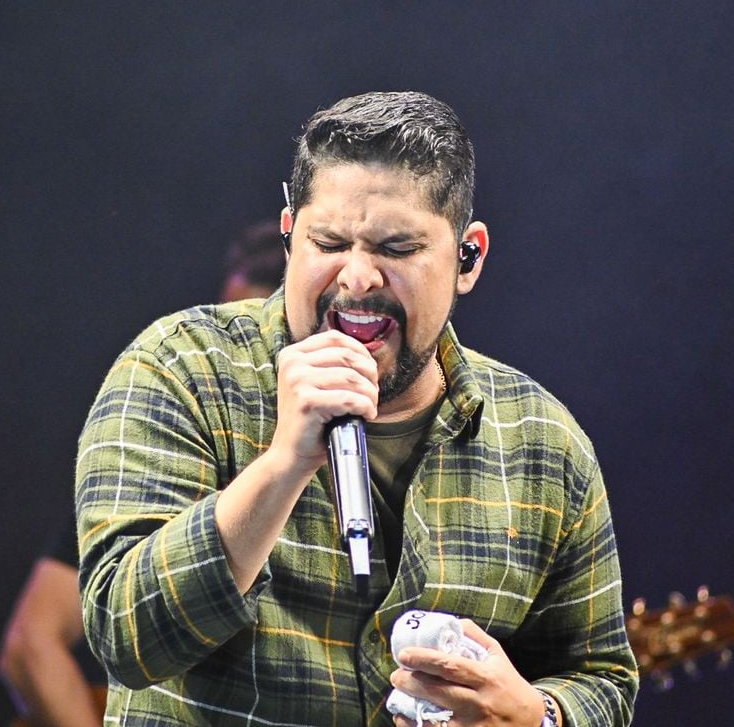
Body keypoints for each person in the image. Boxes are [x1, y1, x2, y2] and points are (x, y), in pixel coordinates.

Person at [75, 91, 638, 726]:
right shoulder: (182, 371)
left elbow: (603, 679)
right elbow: (124, 636)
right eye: (328, 241)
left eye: (397, 249)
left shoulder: (544, 442)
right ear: (290, 237)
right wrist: (284, 463)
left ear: (468, 257)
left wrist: (540, 717)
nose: (358, 277)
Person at [0, 221, 285, 727]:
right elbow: (29, 645)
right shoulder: (158, 467)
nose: (221, 349)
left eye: (244, 328)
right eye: (220, 322)